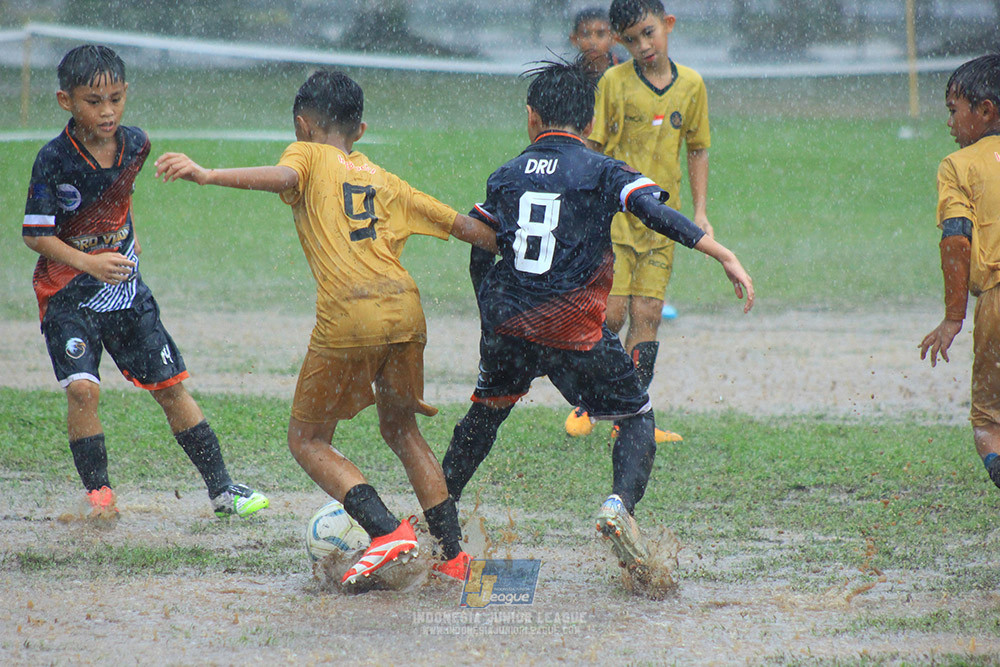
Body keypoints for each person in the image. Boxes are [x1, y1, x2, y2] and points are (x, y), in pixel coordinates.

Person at [153, 70, 498, 586]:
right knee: (402, 430)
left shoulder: (306, 154)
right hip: (406, 309)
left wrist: (207, 174)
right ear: (359, 130)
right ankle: (452, 558)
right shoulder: (385, 178)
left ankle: (386, 531)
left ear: (302, 125)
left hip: (349, 312)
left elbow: (286, 178)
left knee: (308, 439)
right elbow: (474, 232)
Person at [442, 59, 753, 573]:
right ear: (589, 123)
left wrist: (488, 311)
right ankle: (618, 507)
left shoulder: (506, 175)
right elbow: (651, 211)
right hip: (572, 329)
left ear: (531, 116)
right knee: (635, 415)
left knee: (484, 418)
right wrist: (718, 252)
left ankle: (439, 517)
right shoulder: (600, 168)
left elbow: (482, 246)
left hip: (511, 328)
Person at [20, 45, 269, 520]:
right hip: (67, 297)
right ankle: (100, 499)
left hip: (128, 295)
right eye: (94, 100)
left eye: (115, 98)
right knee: (82, 391)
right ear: (65, 101)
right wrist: (91, 262)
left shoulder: (137, 145)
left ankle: (222, 490)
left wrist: (176, 177)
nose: (107, 110)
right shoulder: (53, 159)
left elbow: (120, 199)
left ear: (126, 94)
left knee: (171, 387)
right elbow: (35, 235)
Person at [565, 0, 712, 443]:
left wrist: (700, 211)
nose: (642, 46)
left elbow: (698, 148)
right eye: (630, 40)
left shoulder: (692, 85)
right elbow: (593, 147)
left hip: (661, 224)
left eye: (648, 33)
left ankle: (630, 419)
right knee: (610, 316)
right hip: (614, 222)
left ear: (667, 25)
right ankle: (587, 404)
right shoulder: (614, 82)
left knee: (647, 314)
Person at [919, 53, 1000, 497]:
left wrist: (954, 317)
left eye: (954, 111)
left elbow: (956, 240)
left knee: (989, 423)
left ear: (985, 111)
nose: (950, 123)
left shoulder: (959, 165)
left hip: (996, 300)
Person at [569, 6, 622, 77]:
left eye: (601, 34)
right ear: (574, 39)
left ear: (614, 39)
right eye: (586, 35)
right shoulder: (571, 76)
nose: (593, 42)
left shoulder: (626, 71)